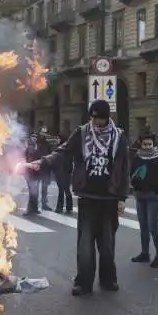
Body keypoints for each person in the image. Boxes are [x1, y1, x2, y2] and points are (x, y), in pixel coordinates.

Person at [20, 100, 129, 296]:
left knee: (107, 245)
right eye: (93, 117)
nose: (95, 122)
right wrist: (42, 162)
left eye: (99, 118)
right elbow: (63, 152)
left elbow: (124, 168)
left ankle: (108, 279)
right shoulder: (82, 132)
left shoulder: (119, 136)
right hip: (87, 196)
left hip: (109, 198)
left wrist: (122, 197)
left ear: (107, 118)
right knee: (85, 245)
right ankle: (83, 282)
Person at [130, 131, 158, 268]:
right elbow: (131, 173)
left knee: (153, 227)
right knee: (143, 227)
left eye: (150, 144)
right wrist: (135, 187)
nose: (148, 147)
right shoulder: (137, 157)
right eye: (145, 144)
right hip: (140, 196)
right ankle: (145, 253)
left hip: (154, 197)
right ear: (140, 144)